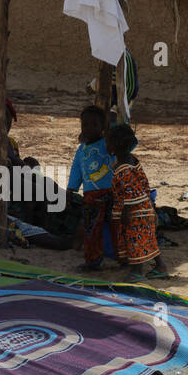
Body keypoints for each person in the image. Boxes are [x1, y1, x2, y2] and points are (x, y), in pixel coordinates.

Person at [106, 123, 166, 277]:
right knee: (148, 240)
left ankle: (137, 271)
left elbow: (130, 192)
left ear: (116, 144)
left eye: (108, 141)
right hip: (144, 208)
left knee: (135, 240)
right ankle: (160, 267)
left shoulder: (123, 167)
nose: (106, 144)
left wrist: (126, 212)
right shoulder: (132, 160)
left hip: (134, 212)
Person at [68, 105, 115, 271]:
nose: (89, 128)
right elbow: (76, 171)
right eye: (85, 125)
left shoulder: (107, 144)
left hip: (112, 193)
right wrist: (70, 190)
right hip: (91, 197)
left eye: (94, 125)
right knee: (91, 230)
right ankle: (92, 261)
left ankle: (123, 257)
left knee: (116, 226)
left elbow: (127, 146)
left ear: (102, 127)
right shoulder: (81, 150)